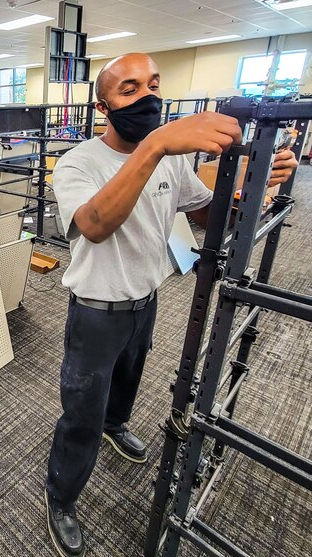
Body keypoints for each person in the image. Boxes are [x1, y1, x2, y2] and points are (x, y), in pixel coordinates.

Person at [44, 53, 298, 557]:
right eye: (130, 89)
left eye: (153, 84)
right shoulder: (79, 163)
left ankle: (118, 427)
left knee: (127, 387)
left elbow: (203, 211)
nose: (148, 97)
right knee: (80, 414)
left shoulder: (170, 159)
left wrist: (252, 186)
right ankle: (61, 498)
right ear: (103, 107)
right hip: (95, 311)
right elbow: (95, 225)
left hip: (146, 300)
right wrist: (157, 145)